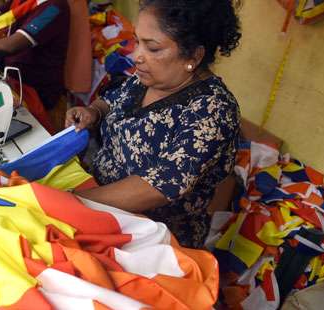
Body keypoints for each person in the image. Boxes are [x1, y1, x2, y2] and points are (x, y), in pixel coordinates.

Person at [65, 0, 242, 248]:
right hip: (100, 207)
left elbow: (156, 188)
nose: (137, 56)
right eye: (138, 42)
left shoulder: (212, 110)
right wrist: (93, 111)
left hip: (150, 241)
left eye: (153, 48)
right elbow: (112, 101)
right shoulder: (146, 80)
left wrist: (72, 200)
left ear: (193, 55)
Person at [0, 0, 71, 132]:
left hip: (38, 95)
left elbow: (11, 45)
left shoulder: (55, 7)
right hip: (13, 83)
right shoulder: (20, 1)